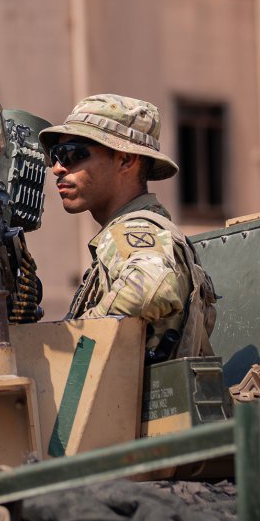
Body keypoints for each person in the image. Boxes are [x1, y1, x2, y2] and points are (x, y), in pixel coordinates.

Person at [39, 93, 216, 361]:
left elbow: (154, 286)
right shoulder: (124, 233)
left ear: (125, 160)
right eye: (54, 155)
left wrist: (74, 345)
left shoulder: (136, 229)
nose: (57, 168)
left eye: (72, 154)